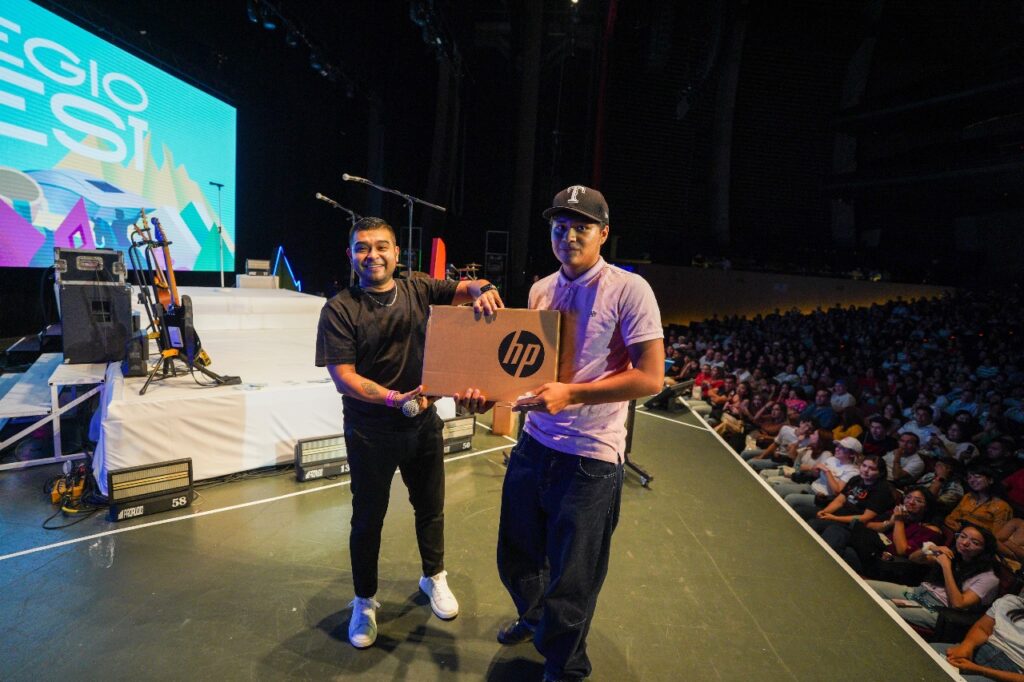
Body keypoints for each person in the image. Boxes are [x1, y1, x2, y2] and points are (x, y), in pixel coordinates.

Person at [495, 185, 664, 682]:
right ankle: (534, 619)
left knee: (574, 576)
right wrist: (493, 389)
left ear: (603, 233)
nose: (568, 235)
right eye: (559, 226)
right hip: (534, 442)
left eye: (581, 226)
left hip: (590, 456)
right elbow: (532, 364)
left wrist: (572, 395)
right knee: (518, 554)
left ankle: (565, 666)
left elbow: (651, 378)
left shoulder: (630, 290)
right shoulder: (541, 288)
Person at [315, 216, 504, 649]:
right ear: (351, 255)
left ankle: (433, 577)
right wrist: (393, 399)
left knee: (431, 508)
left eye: (382, 246)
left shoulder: (419, 287)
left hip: (423, 424)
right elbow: (344, 377)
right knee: (368, 519)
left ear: (397, 253)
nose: (373, 255)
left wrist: (483, 289)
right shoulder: (340, 308)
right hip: (369, 431)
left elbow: (464, 288)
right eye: (363, 247)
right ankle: (365, 601)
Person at [867, 523, 1000, 630]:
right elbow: (914, 559)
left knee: (881, 606)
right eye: (962, 536)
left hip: (938, 609)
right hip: (917, 593)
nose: (964, 543)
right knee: (866, 586)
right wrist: (929, 550)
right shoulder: (953, 554)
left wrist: (946, 567)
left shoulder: (989, 578)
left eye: (974, 542)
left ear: (985, 550)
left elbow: (958, 604)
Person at [932, 592, 1024, 682]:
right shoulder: (1010, 601)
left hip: (1009, 673)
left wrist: (979, 670)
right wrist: (966, 646)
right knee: (926, 654)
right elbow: (983, 629)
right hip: (979, 650)